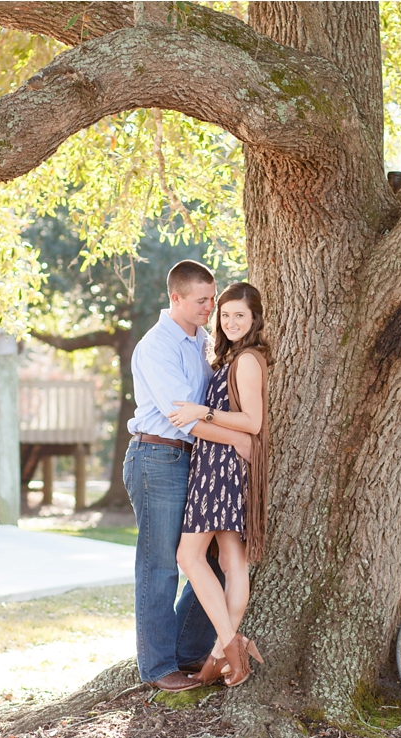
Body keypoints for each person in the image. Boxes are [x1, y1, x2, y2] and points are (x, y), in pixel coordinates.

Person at [124, 260, 253, 693]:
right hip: (157, 458)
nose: (210, 307)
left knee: (208, 559)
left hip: (197, 463)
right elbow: (183, 418)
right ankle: (159, 667)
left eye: (212, 298)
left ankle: (188, 649)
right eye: (202, 300)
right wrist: (236, 440)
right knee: (161, 564)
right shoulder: (157, 346)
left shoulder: (204, 341)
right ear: (175, 299)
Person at [167, 282, 271, 687]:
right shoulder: (229, 357)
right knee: (230, 561)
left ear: (254, 319)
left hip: (223, 469)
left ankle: (227, 648)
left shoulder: (246, 359)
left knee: (190, 556)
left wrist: (202, 412)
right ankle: (224, 652)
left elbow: (253, 423)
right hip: (218, 463)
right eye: (225, 315)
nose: (230, 322)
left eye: (239, 316)